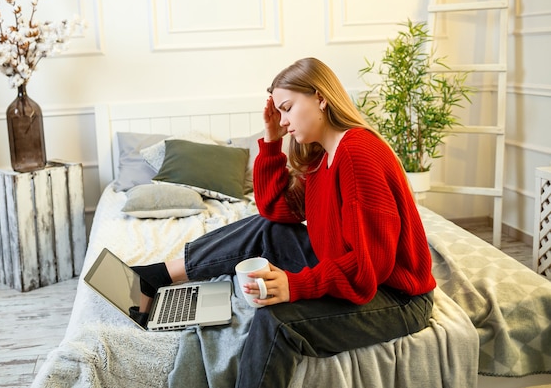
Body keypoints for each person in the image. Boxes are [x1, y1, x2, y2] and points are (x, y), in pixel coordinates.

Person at [131, 57, 437, 388]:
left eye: (288, 108)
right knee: (267, 229)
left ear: (320, 97)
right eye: (279, 112)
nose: (285, 120)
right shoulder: (323, 155)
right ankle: (159, 275)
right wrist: (272, 138)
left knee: (276, 320)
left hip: (395, 297)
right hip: (350, 266)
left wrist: (296, 285)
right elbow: (274, 209)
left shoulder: (357, 154)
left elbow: (368, 269)